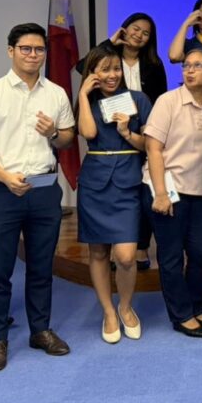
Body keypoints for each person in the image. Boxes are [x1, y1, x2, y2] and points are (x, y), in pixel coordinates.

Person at [0, 23, 76, 372]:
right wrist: (4, 176)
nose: (33, 55)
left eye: (39, 49)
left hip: (43, 190)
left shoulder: (56, 93)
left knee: (42, 267)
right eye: (25, 48)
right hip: (2, 190)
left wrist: (53, 133)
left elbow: (67, 139)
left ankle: (40, 331)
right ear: (10, 50)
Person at [77, 12, 167, 271]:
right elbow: (86, 65)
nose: (139, 35)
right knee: (99, 252)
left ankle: (141, 250)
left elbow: (159, 100)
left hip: (136, 146)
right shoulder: (93, 93)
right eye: (135, 28)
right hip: (97, 175)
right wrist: (109, 43)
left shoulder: (151, 69)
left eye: (146, 33)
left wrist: (132, 130)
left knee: (127, 252)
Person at [75, 45, 153, 344]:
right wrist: (83, 95)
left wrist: (126, 133)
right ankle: (108, 311)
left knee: (126, 256)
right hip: (95, 182)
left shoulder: (138, 99)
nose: (112, 75)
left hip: (128, 181)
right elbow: (88, 134)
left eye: (116, 68)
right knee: (97, 252)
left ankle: (126, 306)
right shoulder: (87, 100)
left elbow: (149, 145)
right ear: (92, 73)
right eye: (104, 69)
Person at [143, 48, 202, 340]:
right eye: (186, 65)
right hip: (168, 189)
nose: (189, 70)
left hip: (201, 190)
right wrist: (161, 193)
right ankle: (181, 314)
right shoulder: (168, 100)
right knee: (172, 255)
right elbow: (153, 148)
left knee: (201, 253)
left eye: (198, 65)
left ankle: (197, 307)